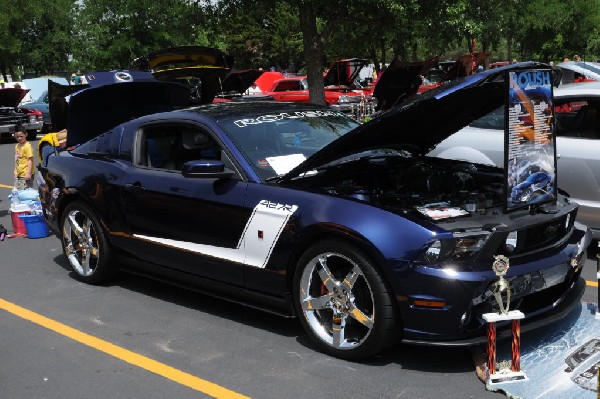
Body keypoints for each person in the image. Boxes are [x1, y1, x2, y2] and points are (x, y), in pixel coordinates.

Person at [13, 123, 34, 190]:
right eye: (17, 137)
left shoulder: (27, 146)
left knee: (26, 192)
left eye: (21, 136)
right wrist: (15, 170)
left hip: (25, 174)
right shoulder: (17, 146)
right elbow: (17, 159)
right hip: (19, 173)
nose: (19, 138)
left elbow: (30, 160)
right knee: (18, 191)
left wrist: (28, 173)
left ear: (26, 135)